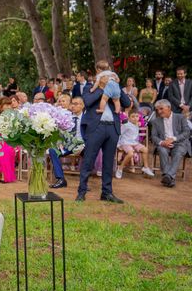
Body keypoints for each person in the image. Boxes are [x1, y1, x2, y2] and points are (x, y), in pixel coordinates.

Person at [76, 66, 131, 203]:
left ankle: (107, 193)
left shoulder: (114, 87)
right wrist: (101, 87)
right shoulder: (90, 87)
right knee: (88, 160)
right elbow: (87, 102)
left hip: (112, 128)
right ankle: (81, 192)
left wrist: (115, 85)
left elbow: (127, 102)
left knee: (108, 162)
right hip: (96, 128)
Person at [150, 99, 191, 188]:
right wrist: (162, 142)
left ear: (169, 108)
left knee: (178, 151)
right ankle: (169, 177)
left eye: (161, 109)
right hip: (164, 144)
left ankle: (167, 176)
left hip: (179, 143)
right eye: (157, 110)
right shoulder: (156, 121)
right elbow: (153, 136)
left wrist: (173, 139)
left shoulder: (180, 117)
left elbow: (187, 132)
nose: (159, 112)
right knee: (161, 149)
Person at [49, 96, 85, 189]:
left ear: (82, 105)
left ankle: (84, 182)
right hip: (68, 146)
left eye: (76, 104)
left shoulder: (87, 118)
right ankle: (61, 179)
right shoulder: (66, 117)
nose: (73, 106)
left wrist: (84, 145)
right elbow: (61, 132)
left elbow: (91, 135)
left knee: (89, 153)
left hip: (83, 145)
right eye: (72, 103)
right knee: (53, 151)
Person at [116, 111, 155, 179]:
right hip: (125, 143)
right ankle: (120, 168)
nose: (135, 118)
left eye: (137, 116)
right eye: (133, 116)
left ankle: (145, 167)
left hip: (134, 143)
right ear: (129, 118)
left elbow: (142, 124)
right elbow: (119, 134)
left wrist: (140, 123)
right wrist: (118, 144)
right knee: (130, 153)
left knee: (145, 150)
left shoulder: (136, 124)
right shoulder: (126, 125)